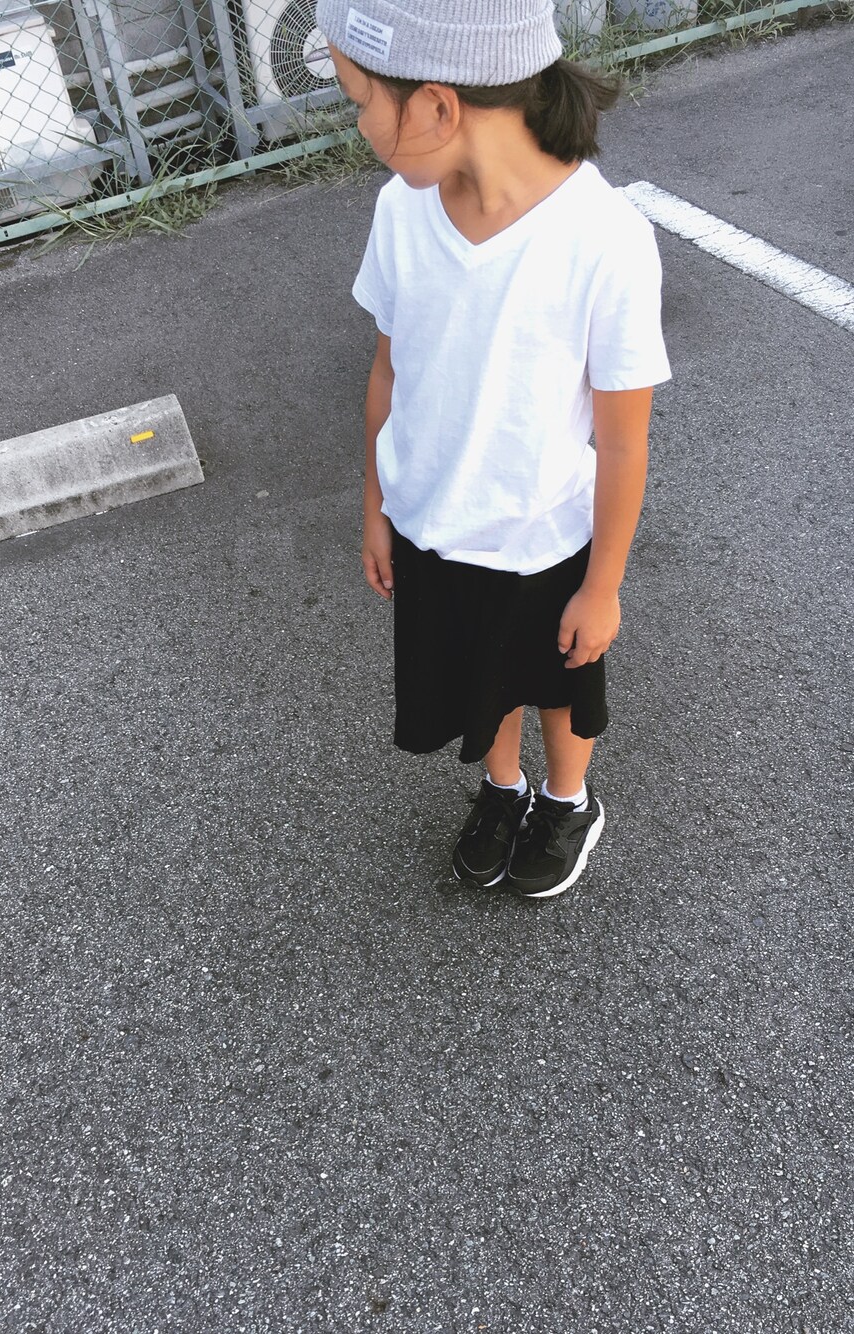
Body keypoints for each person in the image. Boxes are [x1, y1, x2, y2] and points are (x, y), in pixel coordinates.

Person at [316, 0, 672, 898]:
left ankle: (568, 801)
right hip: (434, 523)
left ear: (438, 105)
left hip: (544, 533)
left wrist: (603, 586)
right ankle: (503, 787)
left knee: (558, 680)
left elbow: (623, 440)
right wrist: (377, 507)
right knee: (483, 678)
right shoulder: (402, 210)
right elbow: (389, 371)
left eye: (360, 100)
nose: (358, 125)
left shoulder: (605, 240)